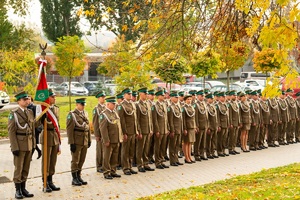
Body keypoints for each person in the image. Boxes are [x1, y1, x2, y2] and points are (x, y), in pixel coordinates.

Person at [8, 91, 35, 199]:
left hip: (28, 143)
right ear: (19, 101)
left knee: (26, 167)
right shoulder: (13, 113)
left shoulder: (30, 112)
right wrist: (14, 147)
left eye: (28, 99)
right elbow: (11, 131)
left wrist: (33, 145)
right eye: (25, 99)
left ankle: (23, 188)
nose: (27, 101)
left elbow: (32, 129)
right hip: (19, 144)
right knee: (18, 168)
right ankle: (17, 190)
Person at [40, 89, 61, 192]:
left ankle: (50, 181)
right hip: (46, 136)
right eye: (52, 97)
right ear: (48, 98)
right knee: (46, 161)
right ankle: (45, 182)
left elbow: (58, 124)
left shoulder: (56, 109)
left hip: (54, 137)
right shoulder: (43, 109)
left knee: (53, 161)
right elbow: (37, 124)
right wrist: (41, 119)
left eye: (55, 96)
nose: (54, 98)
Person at [67, 98, 91, 186]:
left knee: (82, 159)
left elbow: (87, 128)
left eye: (84, 104)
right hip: (76, 141)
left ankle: (78, 175)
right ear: (77, 105)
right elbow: (69, 130)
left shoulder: (85, 113)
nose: (83, 106)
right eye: (81, 104)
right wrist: (71, 142)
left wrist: (89, 140)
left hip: (84, 140)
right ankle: (74, 178)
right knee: (75, 160)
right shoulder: (72, 114)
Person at [100, 96, 123, 179]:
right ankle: (106, 172)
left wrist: (120, 136)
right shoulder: (104, 114)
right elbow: (103, 129)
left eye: (115, 104)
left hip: (116, 139)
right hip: (109, 139)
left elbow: (118, 125)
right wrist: (106, 140)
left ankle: (113, 171)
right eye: (113, 104)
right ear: (108, 104)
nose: (114, 105)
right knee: (107, 156)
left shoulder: (114, 112)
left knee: (114, 156)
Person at [117, 88, 138, 175]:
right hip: (127, 132)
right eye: (128, 94)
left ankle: (130, 166)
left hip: (132, 131)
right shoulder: (121, 106)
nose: (130, 95)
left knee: (131, 150)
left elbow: (135, 119)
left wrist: (136, 130)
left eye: (130, 94)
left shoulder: (132, 104)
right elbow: (121, 121)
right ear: (124, 95)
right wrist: (124, 133)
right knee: (125, 150)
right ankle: (125, 168)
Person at [136, 87, 155, 172]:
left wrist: (151, 129)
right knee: (140, 148)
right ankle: (140, 165)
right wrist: (139, 131)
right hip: (142, 130)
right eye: (145, 93)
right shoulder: (137, 105)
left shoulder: (147, 104)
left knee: (146, 148)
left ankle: (145, 163)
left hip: (147, 130)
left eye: (147, 93)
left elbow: (150, 118)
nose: (146, 95)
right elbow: (137, 120)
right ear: (140, 94)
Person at [152, 90, 169, 169]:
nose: (163, 97)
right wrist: (157, 130)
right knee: (157, 146)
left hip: (164, 129)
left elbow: (166, 118)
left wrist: (167, 128)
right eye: (162, 95)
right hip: (159, 129)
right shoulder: (155, 105)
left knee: (163, 146)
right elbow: (154, 119)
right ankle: (157, 162)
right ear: (158, 96)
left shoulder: (164, 105)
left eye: (163, 95)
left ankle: (162, 160)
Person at [167, 91, 183, 166]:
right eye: (175, 97)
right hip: (174, 129)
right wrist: (172, 130)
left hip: (179, 129)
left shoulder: (178, 106)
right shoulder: (170, 107)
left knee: (177, 145)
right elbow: (170, 120)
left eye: (177, 97)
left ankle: (176, 159)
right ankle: (172, 160)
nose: (177, 98)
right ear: (172, 98)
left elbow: (180, 119)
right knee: (172, 146)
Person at [93, 90, 106, 173]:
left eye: (104, 97)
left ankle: (104, 165)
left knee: (105, 150)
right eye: (102, 97)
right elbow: (95, 122)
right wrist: (97, 134)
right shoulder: (96, 109)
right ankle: (99, 166)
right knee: (100, 150)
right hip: (100, 133)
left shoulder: (105, 107)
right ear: (98, 98)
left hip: (105, 133)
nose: (103, 98)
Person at [194, 90, 209, 161]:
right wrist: (196, 126)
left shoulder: (204, 103)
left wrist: (207, 124)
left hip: (205, 125)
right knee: (198, 142)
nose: (203, 97)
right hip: (199, 125)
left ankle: (202, 153)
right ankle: (196, 155)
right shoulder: (196, 105)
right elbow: (195, 116)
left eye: (203, 96)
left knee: (203, 141)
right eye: (201, 96)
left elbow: (206, 115)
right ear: (198, 96)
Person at [182, 95, 196, 163]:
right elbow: (183, 119)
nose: (189, 100)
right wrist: (184, 128)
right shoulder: (184, 108)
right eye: (188, 99)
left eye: (190, 99)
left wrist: (195, 126)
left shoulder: (192, 107)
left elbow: (194, 118)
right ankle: (186, 157)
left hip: (192, 126)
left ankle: (189, 156)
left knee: (190, 142)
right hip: (187, 127)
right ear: (185, 100)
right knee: (186, 142)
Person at [206, 93, 219, 159]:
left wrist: (217, 125)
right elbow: (207, 118)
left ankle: (212, 152)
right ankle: (208, 153)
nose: (212, 100)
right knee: (209, 141)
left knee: (214, 140)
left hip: (214, 126)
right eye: (211, 98)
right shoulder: (206, 106)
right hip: (210, 126)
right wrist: (208, 127)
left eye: (212, 98)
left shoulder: (213, 106)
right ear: (208, 99)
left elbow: (216, 117)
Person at [216, 92, 229, 157]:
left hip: (226, 123)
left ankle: (223, 150)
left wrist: (228, 123)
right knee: (220, 138)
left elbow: (227, 115)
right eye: (223, 97)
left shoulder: (225, 104)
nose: (224, 98)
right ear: (220, 97)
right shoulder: (218, 105)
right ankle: (219, 151)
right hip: (221, 124)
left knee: (224, 138)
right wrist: (218, 125)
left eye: (225, 97)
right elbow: (217, 116)